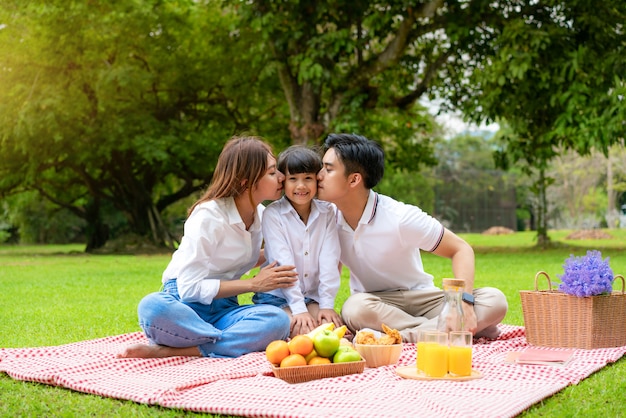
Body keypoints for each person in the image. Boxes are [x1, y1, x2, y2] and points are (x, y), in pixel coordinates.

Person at [316, 133, 508, 343]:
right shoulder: (327, 219)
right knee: (353, 308)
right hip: (374, 302)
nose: (319, 175)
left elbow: (460, 249)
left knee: (495, 300)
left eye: (328, 169)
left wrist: (463, 302)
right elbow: (330, 269)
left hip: (423, 298)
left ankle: (398, 336)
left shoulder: (400, 217)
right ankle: (452, 330)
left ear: (354, 179)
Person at [118, 136, 298, 359]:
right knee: (152, 307)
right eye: (272, 173)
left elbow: (249, 256)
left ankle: (178, 349)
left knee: (277, 320)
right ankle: (227, 341)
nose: (282, 177)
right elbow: (188, 288)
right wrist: (254, 284)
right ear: (245, 182)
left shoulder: (262, 215)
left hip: (225, 310)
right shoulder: (209, 216)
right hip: (184, 308)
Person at [253, 145, 345, 338]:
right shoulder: (273, 214)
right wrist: (298, 308)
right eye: (293, 179)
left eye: (308, 178)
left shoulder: (328, 211)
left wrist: (326, 305)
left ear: (317, 180)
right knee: (304, 334)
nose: (301, 186)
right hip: (277, 295)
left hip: (311, 296)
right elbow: (284, 263)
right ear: (283, 182)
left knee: (334, 332)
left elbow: (329, 259)